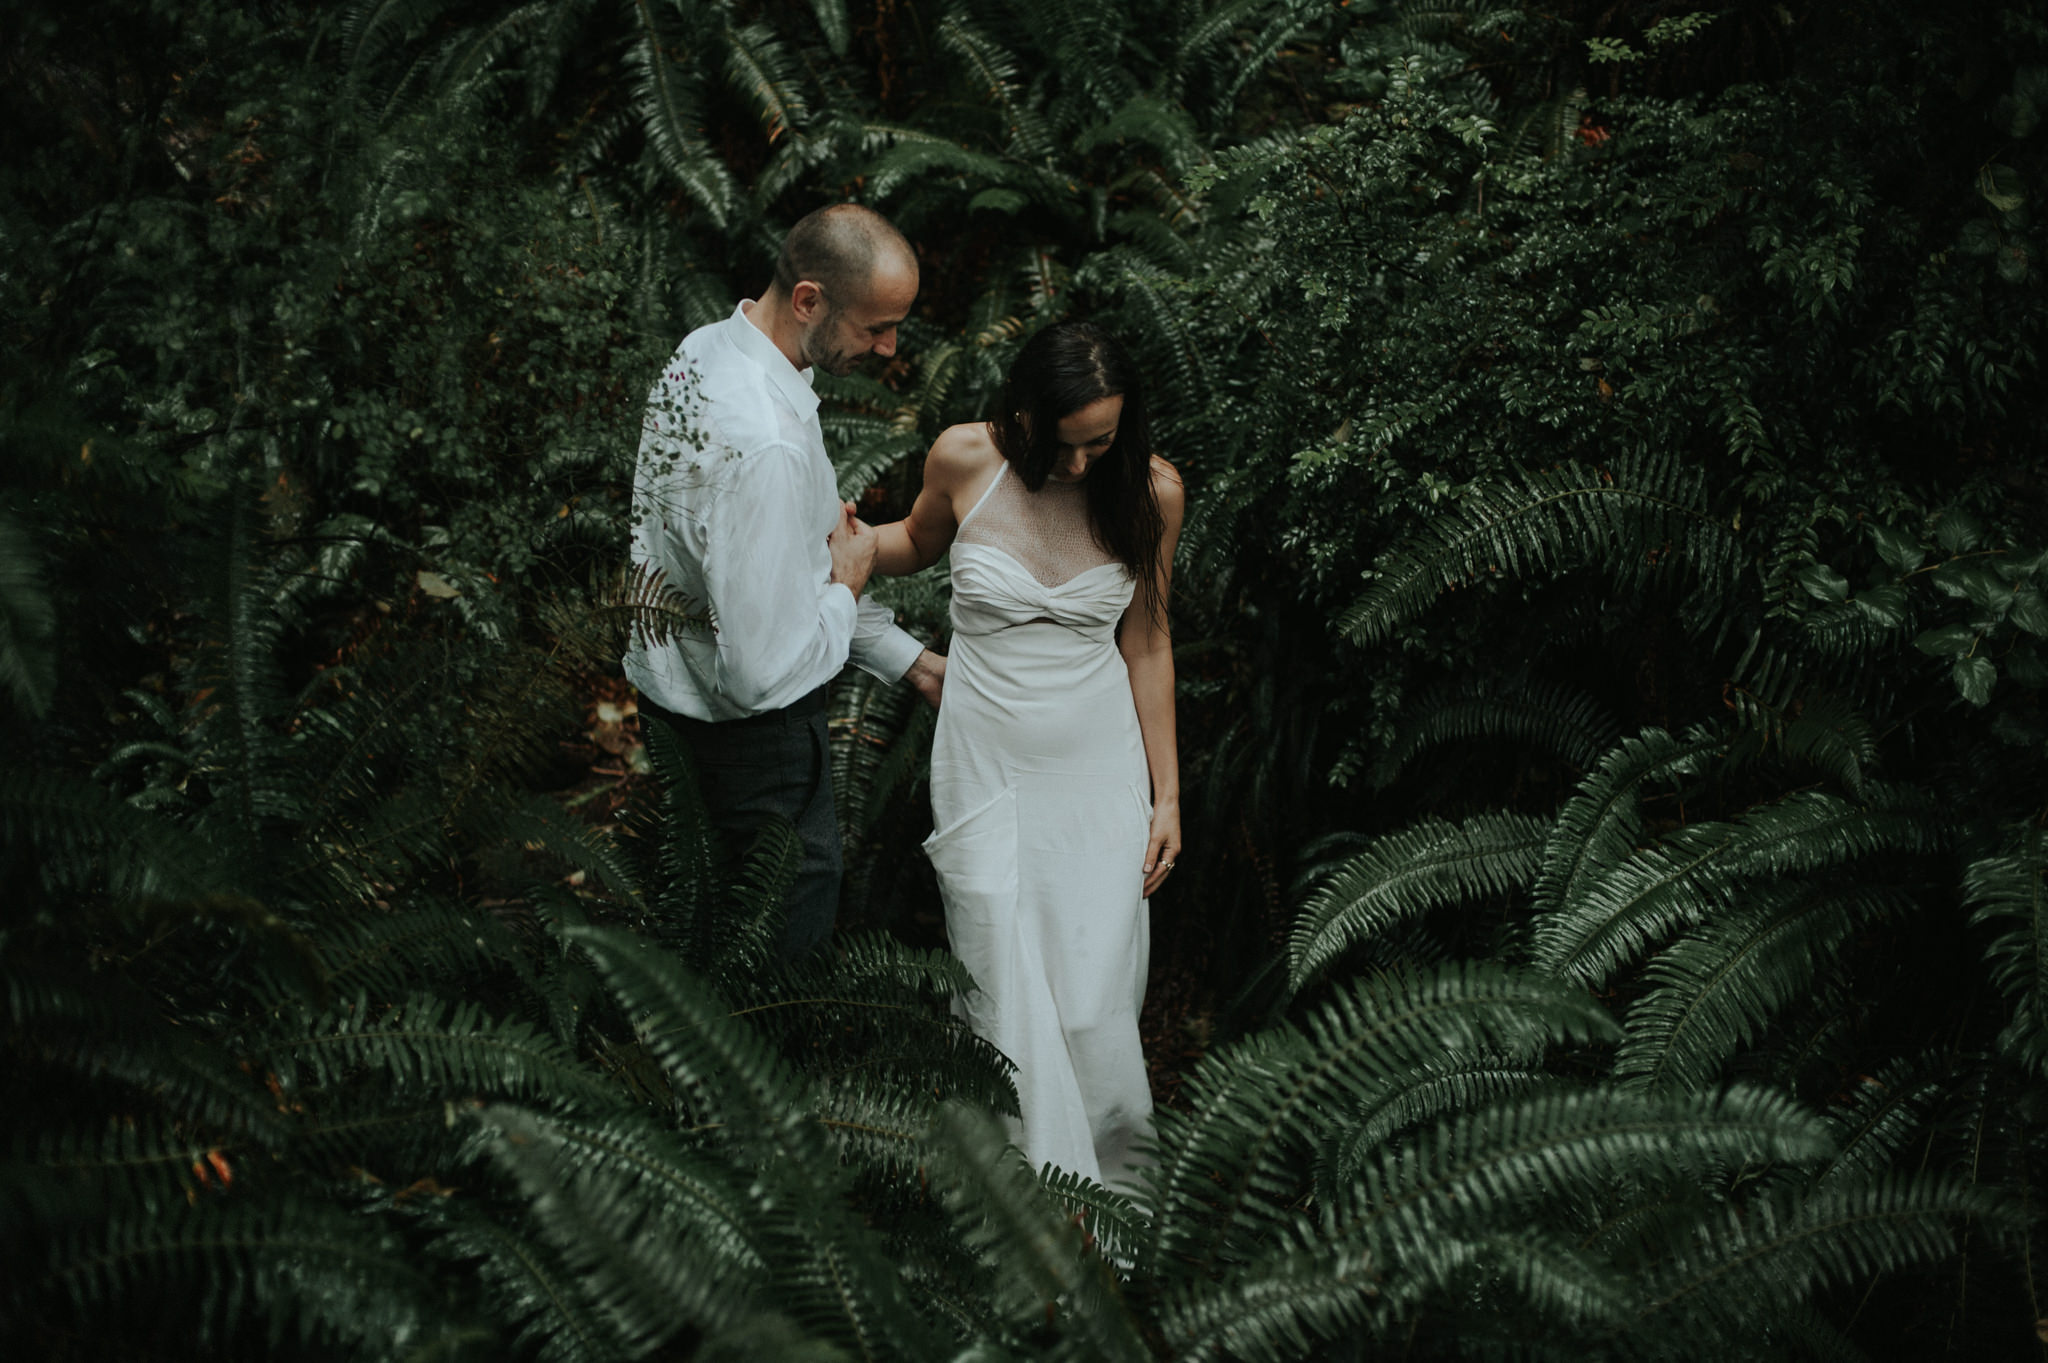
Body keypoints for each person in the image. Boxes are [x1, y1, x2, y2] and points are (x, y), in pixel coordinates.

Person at [869, 320, 1183, 1187]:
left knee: (1091, 1005)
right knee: (1000, 993)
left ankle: (1110, 1203)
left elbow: (1149, 643)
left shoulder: (1151, 492)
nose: (1082, 464)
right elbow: (911, 543)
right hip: (984, 770)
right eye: (1066, 443)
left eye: (1102, 442)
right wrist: (853, 543)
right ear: (1023, 414)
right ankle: (1016, 1211)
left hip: (1098, 771)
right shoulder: (967, 458)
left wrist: (1167, 797)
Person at [624, 204, 947, 961]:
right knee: (777, 953)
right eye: (875, 327)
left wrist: (916, 664)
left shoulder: (705, 351)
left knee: (702, 929)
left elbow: (787, 565)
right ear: (809, 300)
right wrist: (848, 581)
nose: (891, 347)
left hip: (673, 705)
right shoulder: (765, 441)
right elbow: (762, 671)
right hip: (754, 745)